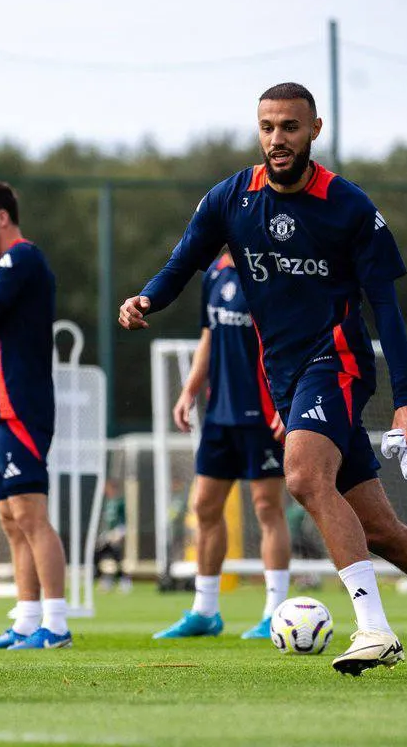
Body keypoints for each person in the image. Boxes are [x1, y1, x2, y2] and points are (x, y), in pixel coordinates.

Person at [119, 82, 407, 678]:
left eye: (290, 127)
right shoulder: (231, 198)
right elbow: (185, 258)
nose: (278, 139)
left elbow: (387, 309)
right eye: (268, 126)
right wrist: (148, 298)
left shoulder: (349, 207)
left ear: (315, 130)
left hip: (339, 361)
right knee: (381, 530)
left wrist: (406, 400)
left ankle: (374, 629)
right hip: (284, 376)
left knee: (300, 475)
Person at [153, 251, 291, 640]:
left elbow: (287, 342)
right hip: (220, 415)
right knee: (205, 507)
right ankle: (205, 611)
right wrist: (189, 391)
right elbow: (209, 336)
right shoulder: (213, 272)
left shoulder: (270, 270)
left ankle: (275, 612)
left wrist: (287, 401)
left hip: (264, 415)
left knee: (267, 507)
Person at [0, 180, 71, 650]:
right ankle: (26, 621)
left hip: (22, 406)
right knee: (8, 515)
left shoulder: (20, 259)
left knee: (30, 514)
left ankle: (57, 626)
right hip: (1, 408)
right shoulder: (7, 264)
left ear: (1, 218)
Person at [94, 479, 131, 591]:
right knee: (100, 556)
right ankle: (106, 579)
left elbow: (123, 519)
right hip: (106, 534)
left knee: (116, 558)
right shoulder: (106, 502)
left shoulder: (120, 502)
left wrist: (120, 533)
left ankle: (124, 580)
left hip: (115, 534)